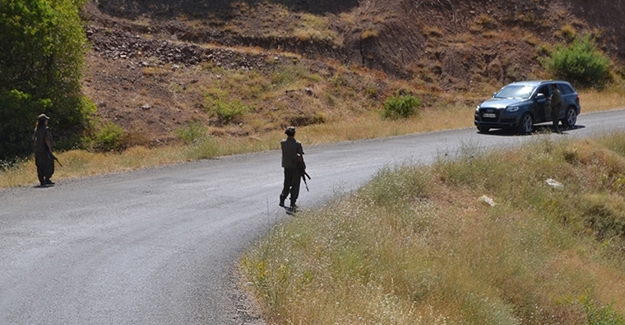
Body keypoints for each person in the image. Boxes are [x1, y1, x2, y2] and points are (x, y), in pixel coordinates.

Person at [279, 126, 304, 211]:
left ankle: (282, 198)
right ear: (294, 133)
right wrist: (303, 167)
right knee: (295, 185)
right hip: (295, 166)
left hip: (287, 166)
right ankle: (292, 202)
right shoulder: (297, 144)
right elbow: (300, 156)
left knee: (286, 183)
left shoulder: (283, 143)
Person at [34, 114, 55, 186]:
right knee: (49, 164)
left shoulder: (36, 130)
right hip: (45, 151)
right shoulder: (46, 129)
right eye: (46, 120)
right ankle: (47, 179)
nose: (47, 121)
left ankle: (41, 180)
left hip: (38, 151)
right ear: (44, 121)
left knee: (40, 165)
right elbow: (47, 139)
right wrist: (50, 149)